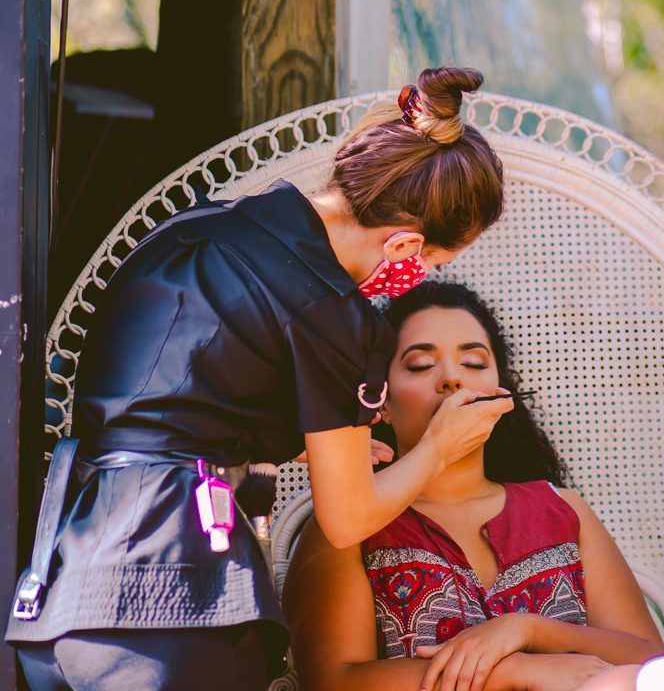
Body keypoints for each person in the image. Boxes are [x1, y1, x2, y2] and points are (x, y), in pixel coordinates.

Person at [7, 68, 518, 691]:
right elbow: (348, 518)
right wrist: (438, 446)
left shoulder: (199, 225)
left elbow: (172, 384)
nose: (417, 278)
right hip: (175, 598)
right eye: (433, 262)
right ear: (405, 247)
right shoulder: (334, 314)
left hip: (63, 581)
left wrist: (288, 438)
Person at [283, 282, 664, 691]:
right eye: (420, 365)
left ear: (500, 394)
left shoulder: (563, 508)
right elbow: (331, 681)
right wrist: (510, 672)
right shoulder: (349, 520)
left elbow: (650, 662)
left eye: (473, 362)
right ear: (382, 403)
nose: (452, 379)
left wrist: (527, 629)